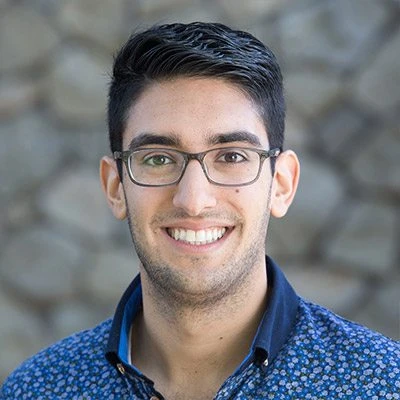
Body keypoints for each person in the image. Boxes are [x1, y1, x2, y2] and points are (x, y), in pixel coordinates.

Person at [1, 22, 399, 400]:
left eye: (231, 155)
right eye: (157, 158)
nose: (193, 200)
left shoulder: (379, 384)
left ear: (282, 184)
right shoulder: (40, 388)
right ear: (115, 186)